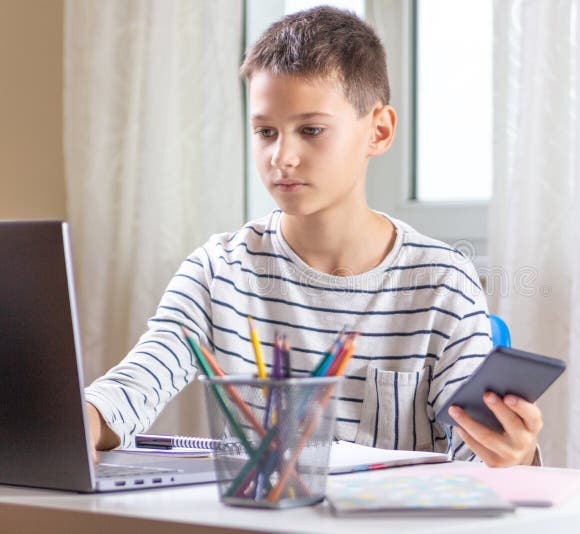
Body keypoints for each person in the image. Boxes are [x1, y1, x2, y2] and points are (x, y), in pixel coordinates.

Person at [85, 6, 542, 467]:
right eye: (266, 131)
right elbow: (133, 388)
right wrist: (82, 418)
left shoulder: (444, 282)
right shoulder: (218, 271)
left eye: (311, 130)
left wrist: (515, 455)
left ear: (378, 131)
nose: (282, 157)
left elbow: (481, 461)